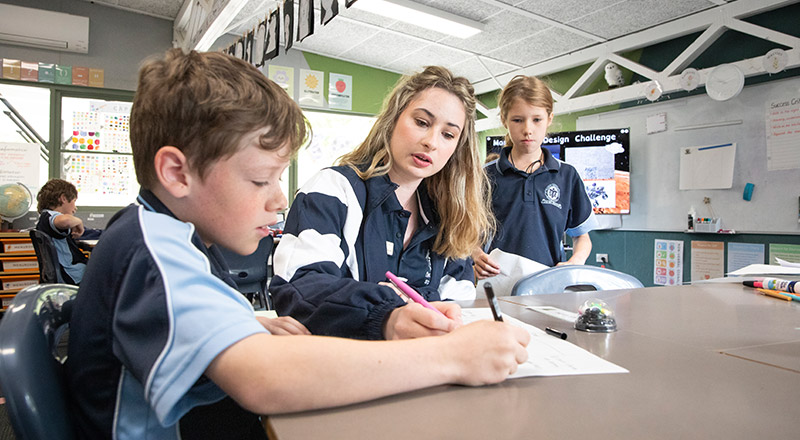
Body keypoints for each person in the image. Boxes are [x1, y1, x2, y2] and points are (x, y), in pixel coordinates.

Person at [66, 49, 529, 440]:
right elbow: (264, 378)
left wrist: (244, 325)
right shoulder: (153, 253)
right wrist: (448, 357)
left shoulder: (167, 239)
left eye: (449, 134)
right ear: (176, 173)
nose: (280, 198)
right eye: (261, 179)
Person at [270, 66, 494, 340]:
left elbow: (458, 304)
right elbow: (300, 287)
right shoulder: (333, 189)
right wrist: (388, 315)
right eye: (422, 122)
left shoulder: (450, 217)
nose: (431, 142)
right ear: (393, 119)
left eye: (448, 135)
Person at [473, 75, 598, 280]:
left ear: (549, 119)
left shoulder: (567, 176)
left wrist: (575, 262)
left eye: (537, 119)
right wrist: (475, 254)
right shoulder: (484, 176)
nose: (527, 129)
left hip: (548, 285)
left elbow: (582, 237)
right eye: (517, 120)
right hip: (497, 285)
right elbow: (465, 234)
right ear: (504, 120)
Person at [35, 178, 88, 284]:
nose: (75, 208)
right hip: (71, 274)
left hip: (63, 273)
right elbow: (66, 221)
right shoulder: (51, 216)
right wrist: (79, 221)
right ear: (63, 198)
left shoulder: (44, 218)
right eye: (74, 201)